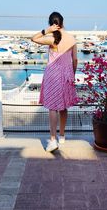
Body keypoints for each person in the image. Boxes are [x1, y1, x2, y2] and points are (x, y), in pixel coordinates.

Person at [31, 12, 78, 152]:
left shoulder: (51, 38)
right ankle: (62, 136)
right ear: (63, 22)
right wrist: (72, 73)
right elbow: (75, 60)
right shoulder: (71, 38)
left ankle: (53, 140)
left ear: (52, 24)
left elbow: (33, 38)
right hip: (67, 74)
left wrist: (47, 30)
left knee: (52, 107)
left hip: (52, 75)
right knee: (63, 107)